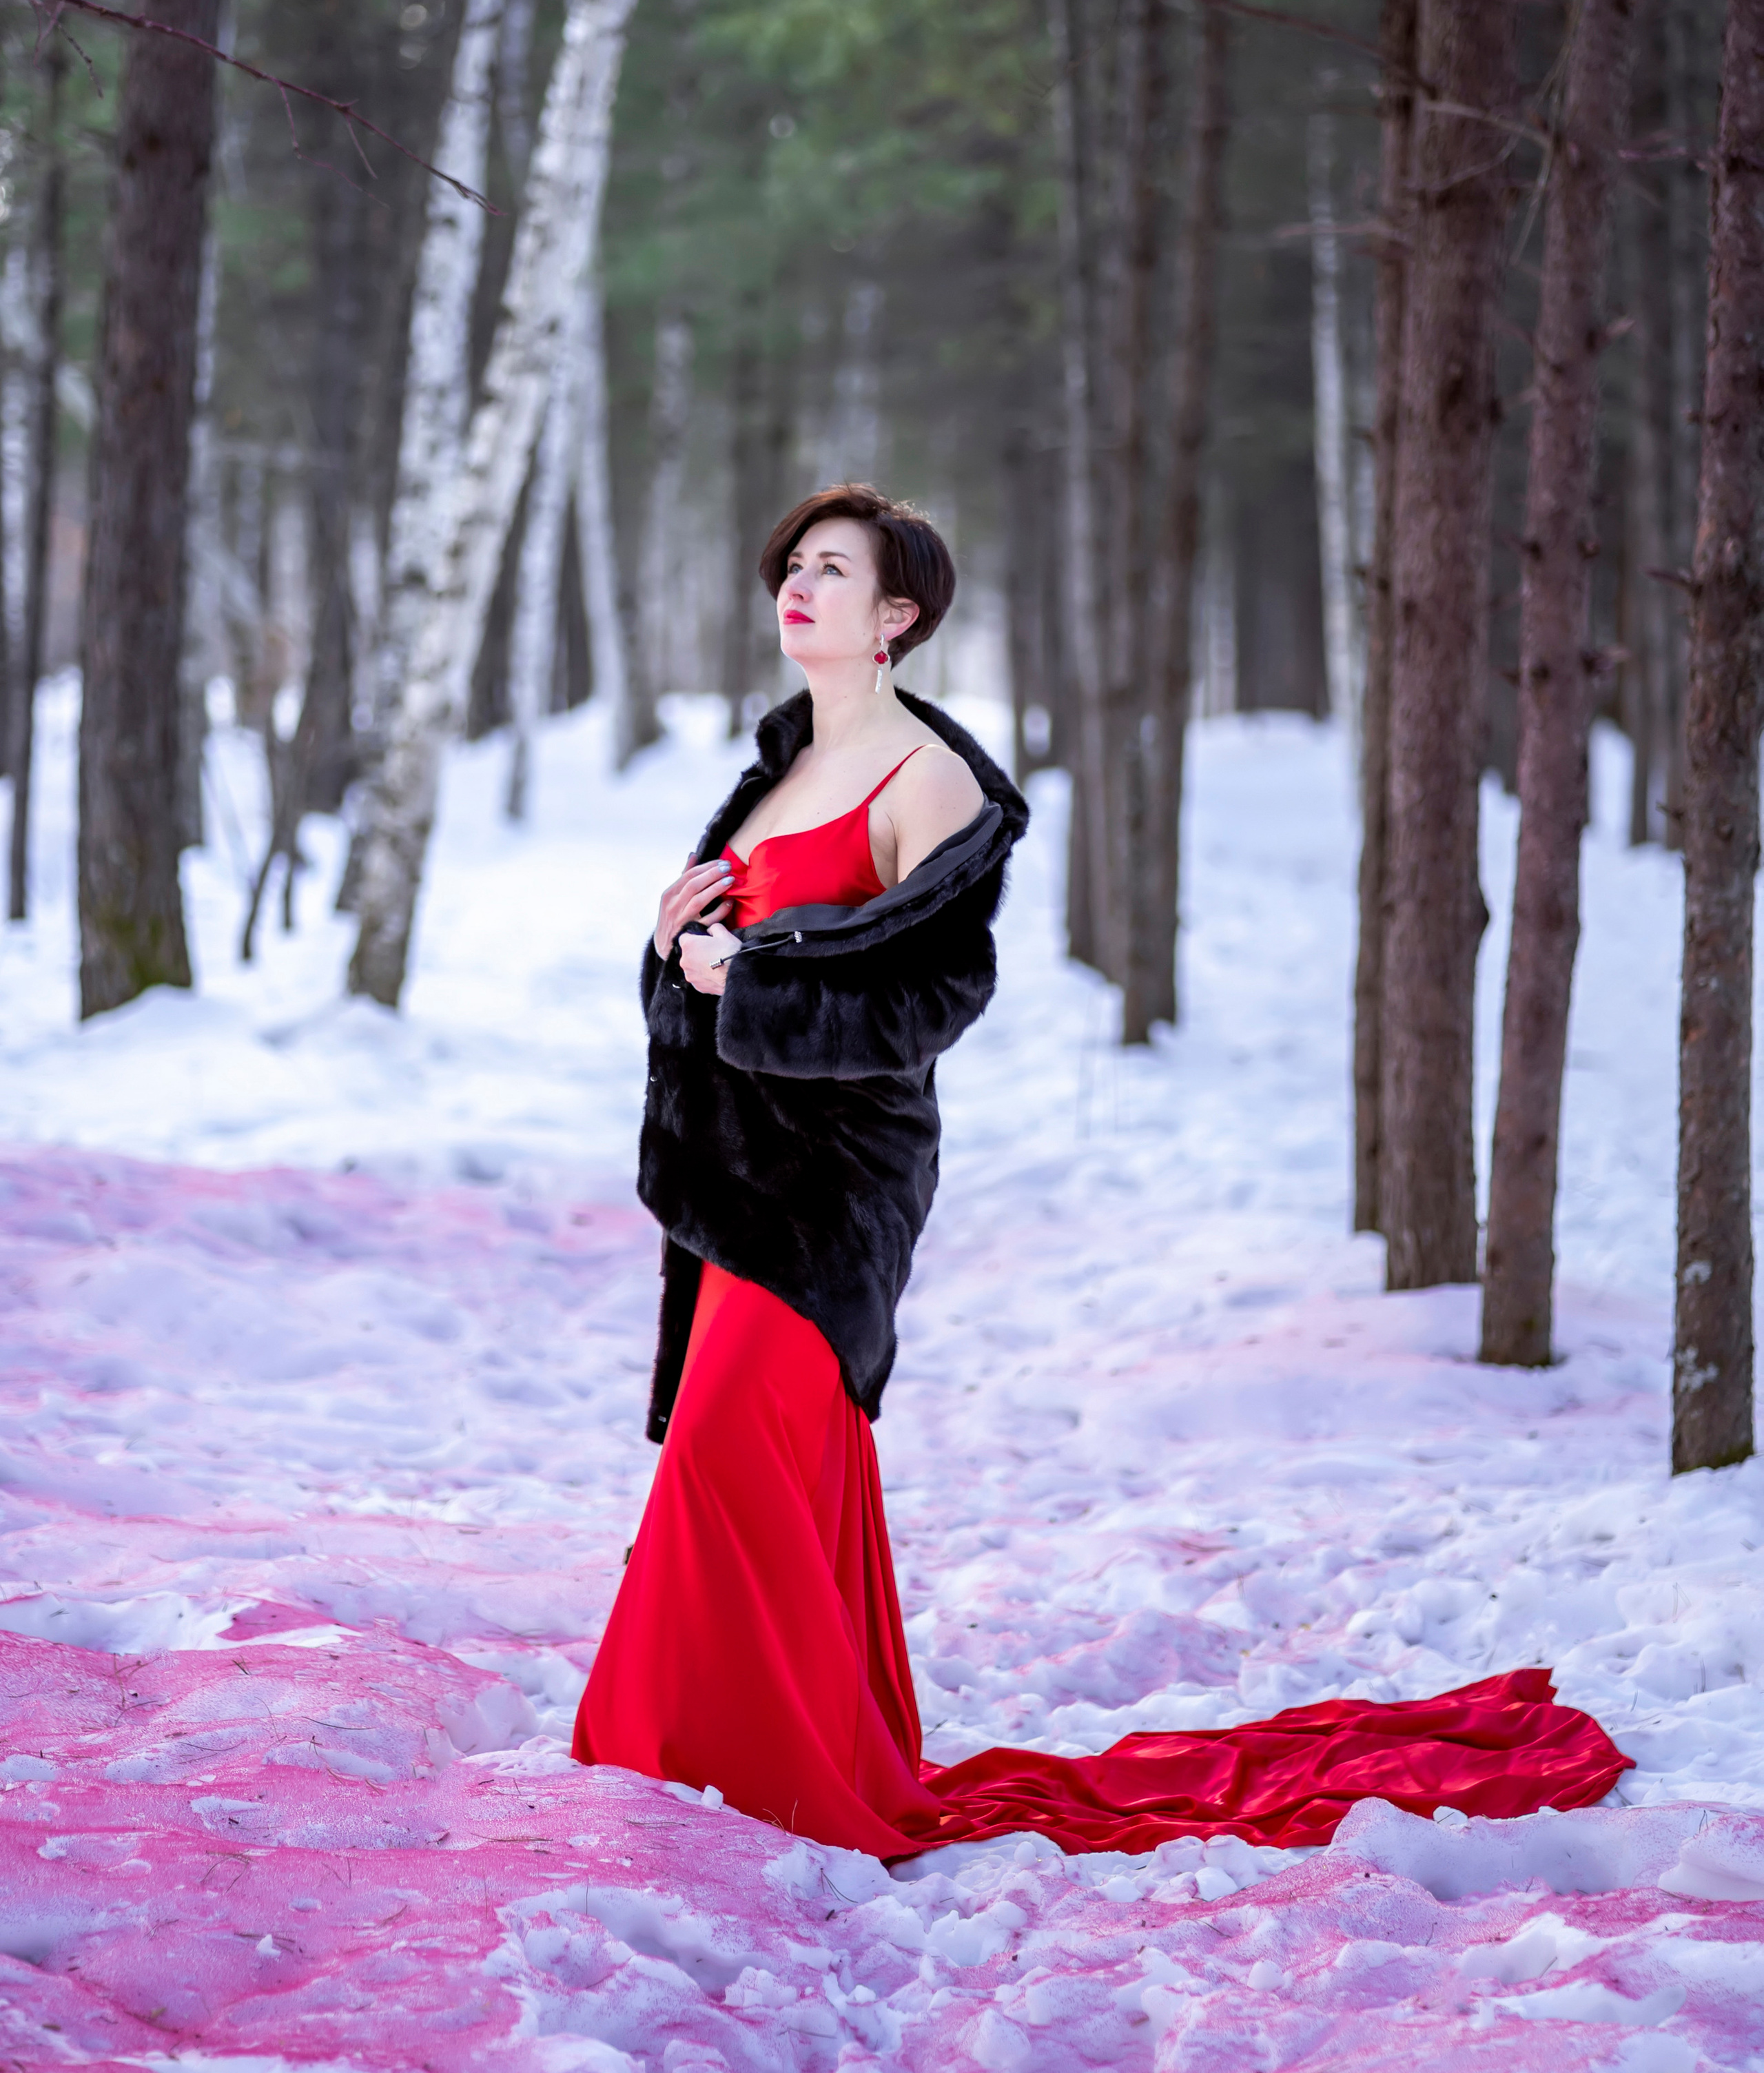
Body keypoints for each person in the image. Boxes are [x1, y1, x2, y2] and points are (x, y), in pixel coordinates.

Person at [573, 484, 1630, 1858]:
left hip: (831, 1188)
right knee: (742, 1463)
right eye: (792, 566)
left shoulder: (928, 778)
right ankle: (716, 1754)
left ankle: (765, 1772)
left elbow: (922, 1005)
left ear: (896, 617)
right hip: (739, 1178)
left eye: (833, 571)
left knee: (737, 1451)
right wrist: (676, 942)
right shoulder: (780, 767)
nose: (798, 587)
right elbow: (725, 968)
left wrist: (742, 977)